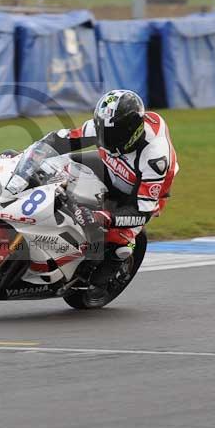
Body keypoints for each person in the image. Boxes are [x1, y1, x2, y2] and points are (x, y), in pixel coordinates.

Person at [40, 89, 178, 284]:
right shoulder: (102, 127)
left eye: (113, 134)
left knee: (116, 243)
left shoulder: (155, 157)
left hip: (135, 194)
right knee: (53, 166)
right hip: (109, 167)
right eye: (101, 130)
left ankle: (113, 262)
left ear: (133, 130)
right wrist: (27, 156)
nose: (104, 138)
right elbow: (59, 140)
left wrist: (102, 217)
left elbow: (141, 212)